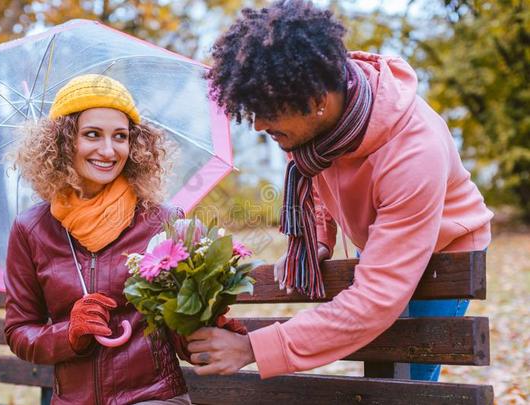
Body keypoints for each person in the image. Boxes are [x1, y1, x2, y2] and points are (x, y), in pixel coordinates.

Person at [186, 0, 493, 381]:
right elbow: (313, 178)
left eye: (269, 111)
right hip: (385, 234)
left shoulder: (413, 152)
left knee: (411, 375)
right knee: (382, 364)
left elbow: (374, 302)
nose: (260, 124)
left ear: (317, 103)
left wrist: (254, 347)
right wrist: (317, 237)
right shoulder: (311, 125)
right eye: (255, 109)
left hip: (448, 248)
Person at [4, 74, 191, 404]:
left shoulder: (162, 221)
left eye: (120, 136)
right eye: (92, 135)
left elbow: (184, 332)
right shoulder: (31, 229)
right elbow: (20, 331)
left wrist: (205, 313)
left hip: (153, 397)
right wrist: (69, 333)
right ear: (63, 142)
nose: (108, 150)